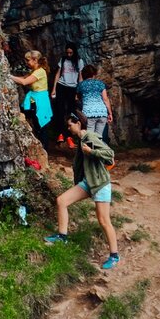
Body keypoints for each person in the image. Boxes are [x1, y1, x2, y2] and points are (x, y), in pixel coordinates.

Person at [48, 111, 120, 270]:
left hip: (100, 184)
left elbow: (110, 155)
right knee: (61, 201)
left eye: (70, 125)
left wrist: (91, 152)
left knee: (103, 221)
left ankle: (114, 255)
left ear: (78, 123)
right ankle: (62, 236)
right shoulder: (80, 140)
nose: (68, 128)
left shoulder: (90, 137)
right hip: (88, 182)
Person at [11, 50, 53, 149]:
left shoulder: (40, 71)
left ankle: (44, 150)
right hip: (35, 100)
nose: (26, 63)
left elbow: (24, 82)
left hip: (40, 101)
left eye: (28, 60)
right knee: (36, 123)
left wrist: (9, 76)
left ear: (35, 60)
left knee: (42, 127)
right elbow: (22, 77)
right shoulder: (34, 71)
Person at [52, 43, 85, 142]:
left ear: (74, 52)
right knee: (59, 110)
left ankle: (70, 135)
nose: (69, 55)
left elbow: (80, 77)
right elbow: (58, 74)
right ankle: (60, 133)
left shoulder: (79, 61)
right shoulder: (63, 60)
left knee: (71, 112)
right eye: (67, 53)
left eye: (71, 53)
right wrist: (54, 88)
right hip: (61, 86)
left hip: (72, 87)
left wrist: (78, 92)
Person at [76, 64, 112, 145]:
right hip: (102, 113)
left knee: (89, 139)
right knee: (99, 138)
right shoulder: (100, 84)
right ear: (94, 74)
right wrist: (110, 113)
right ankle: (100, 155)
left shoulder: (81, 85)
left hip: (88, 114)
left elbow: (77, 98)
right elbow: (105, 99)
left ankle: (90, 155)